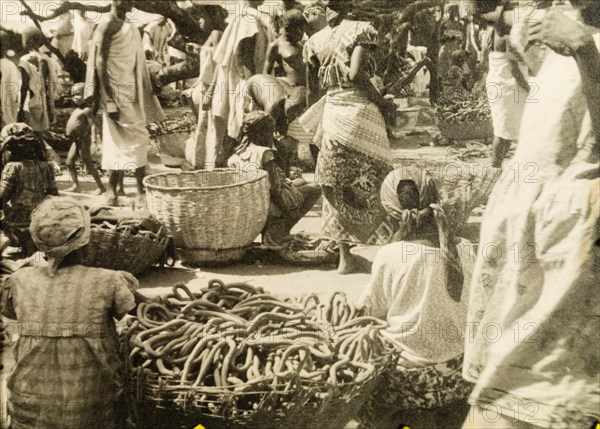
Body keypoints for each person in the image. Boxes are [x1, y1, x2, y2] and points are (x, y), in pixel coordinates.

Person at [463, 2, 600, 428]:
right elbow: (482, 11)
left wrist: (584, 53)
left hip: (576, 235)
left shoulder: (577, 40)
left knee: (540, 387)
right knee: (508, 373)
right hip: (533, 223)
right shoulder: (557, 26)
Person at [1, 196, 140, 429]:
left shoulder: (18, 280)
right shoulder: (108, 280)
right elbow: (137, 312)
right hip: (93, 412)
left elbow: (13, 314)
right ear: (86, 242)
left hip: (28, 410)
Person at [358, 168, 475, 429]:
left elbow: (369, 312)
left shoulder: (390, 254)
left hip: (407, 379)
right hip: (458, 375)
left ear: (391, 210)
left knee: (362, 344)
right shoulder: (465, 247)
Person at [301, 0, 396, 274]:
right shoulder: (361, 30)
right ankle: (384, 252)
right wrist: (384, 103)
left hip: (332, 114)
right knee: (377, 177)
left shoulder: (314, 42)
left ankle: (345, 259)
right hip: (360, 112)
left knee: (336, 182)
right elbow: (356, 75)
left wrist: (313, 128)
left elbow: (312, 92)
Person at [87, 0, 165, 207]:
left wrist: (149, 76)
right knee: (125, 138)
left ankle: (124, 189)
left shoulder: (129, 24)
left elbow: (136, 57)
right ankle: (123, 190)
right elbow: (100, 61)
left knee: (134, 137)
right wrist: (109, 98)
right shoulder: (107, 23)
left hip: (132, 87)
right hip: (115, 88)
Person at [227, 111, 321, 247]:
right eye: (270, 132)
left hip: (250, 204)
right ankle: (277, 231)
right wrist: (289, 213)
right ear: (263, 133)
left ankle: (276, 229)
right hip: (268, 205)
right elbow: (275, 190)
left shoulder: (237, 153)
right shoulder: (265, 153)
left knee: (301, 182)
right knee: (315, 188)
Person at [204, 0, 269, 168]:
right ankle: (225, 170)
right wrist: (252, 86)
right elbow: (242, 53)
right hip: (244, 82)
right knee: (239, 128)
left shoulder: (244, 17)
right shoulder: (248, 20)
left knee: (233, 129)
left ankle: (223, 169)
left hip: (237, 80)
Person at [480, 1, 530, 168]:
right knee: (504, 134)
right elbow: (514, 70)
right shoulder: (508, 36)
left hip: (499, 82)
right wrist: (529, 88)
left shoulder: (491, 32)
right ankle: (495, 169)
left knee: (504, 133)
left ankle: (496, 168)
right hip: (508, 85)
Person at [0, 123, 58, 255]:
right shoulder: (46, 167)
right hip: (41, 223)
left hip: (17, 225)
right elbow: (54, 196)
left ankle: (11, 238)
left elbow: (1, 200)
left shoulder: (13, 167)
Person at [184, 11, 226, 170]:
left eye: (203, 16)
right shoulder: (211, 35)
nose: (200, 20)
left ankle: (209, 163)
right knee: (204, 125)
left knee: (211, 126)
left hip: (211, 86)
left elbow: (220, 64)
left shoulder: (216, 34)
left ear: (212, 17)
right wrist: (199, 49)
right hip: (206, 86)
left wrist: (210, 91)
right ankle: (203, 162)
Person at [244, 74, 307, 176]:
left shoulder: (292, 98)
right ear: (287, 98)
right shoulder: (273, 104)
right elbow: (267, 137)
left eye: (299, 112)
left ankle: (283, 173)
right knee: (261, 140)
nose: (295, 115)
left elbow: (283, 131)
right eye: (294, 110)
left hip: (267, 88)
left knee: (284, 142)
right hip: (247, 92)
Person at [18, 26, 61, 135]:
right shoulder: (47, 59)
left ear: (29, 41)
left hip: (32, 103)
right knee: (41, 134)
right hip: (45, 103)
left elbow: (24, 86)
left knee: (31, 135)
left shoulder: (25, 60)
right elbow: (49, 83)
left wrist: (20, 107)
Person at [65, 83, 105, 194]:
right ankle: (76, 186)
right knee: (69, 162)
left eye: (78, 94)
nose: (75, 97)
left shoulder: (87, 110)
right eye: (73, 95)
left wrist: (94, 141)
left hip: (83, 139)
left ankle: (101, 187)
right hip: (76, 141)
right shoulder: (77, 109)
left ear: (85, 95)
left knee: (88, 163)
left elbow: (93, 125)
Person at [264, 9, 307, 87]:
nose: (301, 34)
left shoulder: (300, 45)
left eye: (303, 30)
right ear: (287, 28)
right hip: (290, 89)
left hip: (306, 87)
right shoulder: (275, 46)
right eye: (298, 30)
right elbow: (265, 75)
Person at [0, 30, 21, 128]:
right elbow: (15, 92)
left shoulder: (10, 65)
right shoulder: (10, 65)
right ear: (6, 47)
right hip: (5, 107)